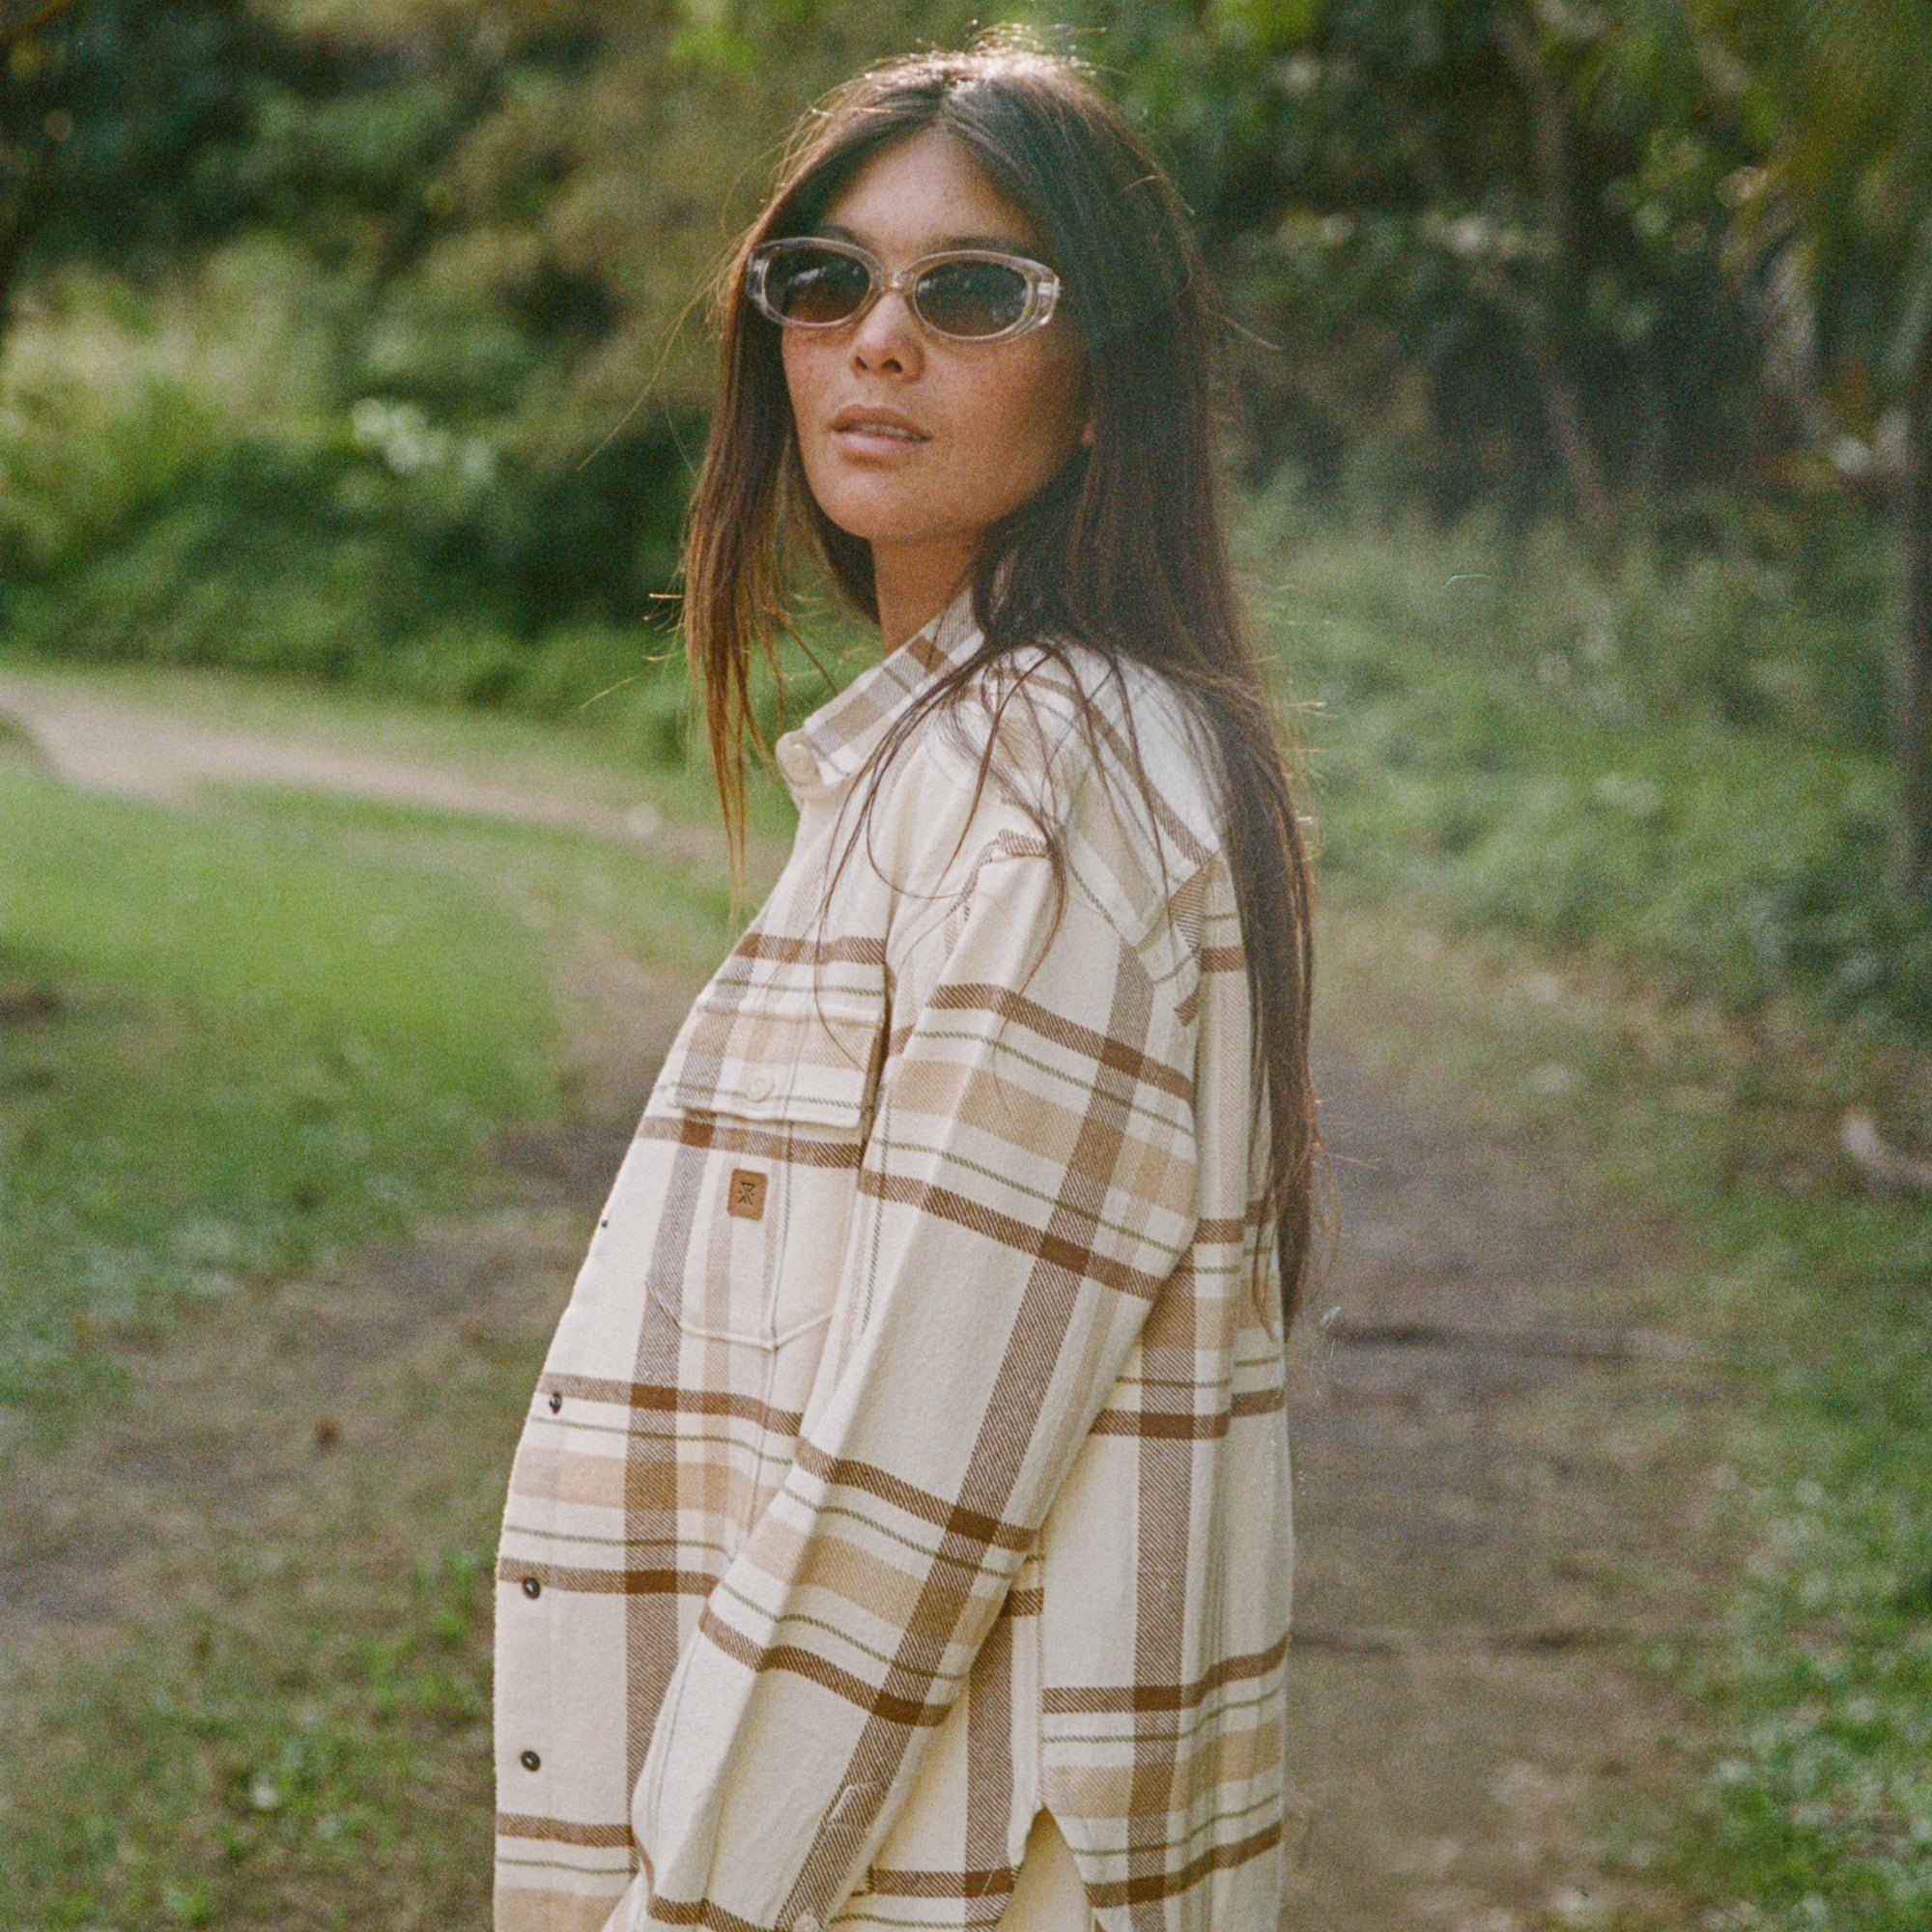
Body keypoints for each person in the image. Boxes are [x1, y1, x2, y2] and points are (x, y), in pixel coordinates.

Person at [493, 35, 1321, 1932]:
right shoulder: (955, 768)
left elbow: (907, 1495)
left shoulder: (1041, 795)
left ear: (1106, 374)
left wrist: (689, 1909)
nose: (875, 338)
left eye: (969, 292)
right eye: (823, 278)